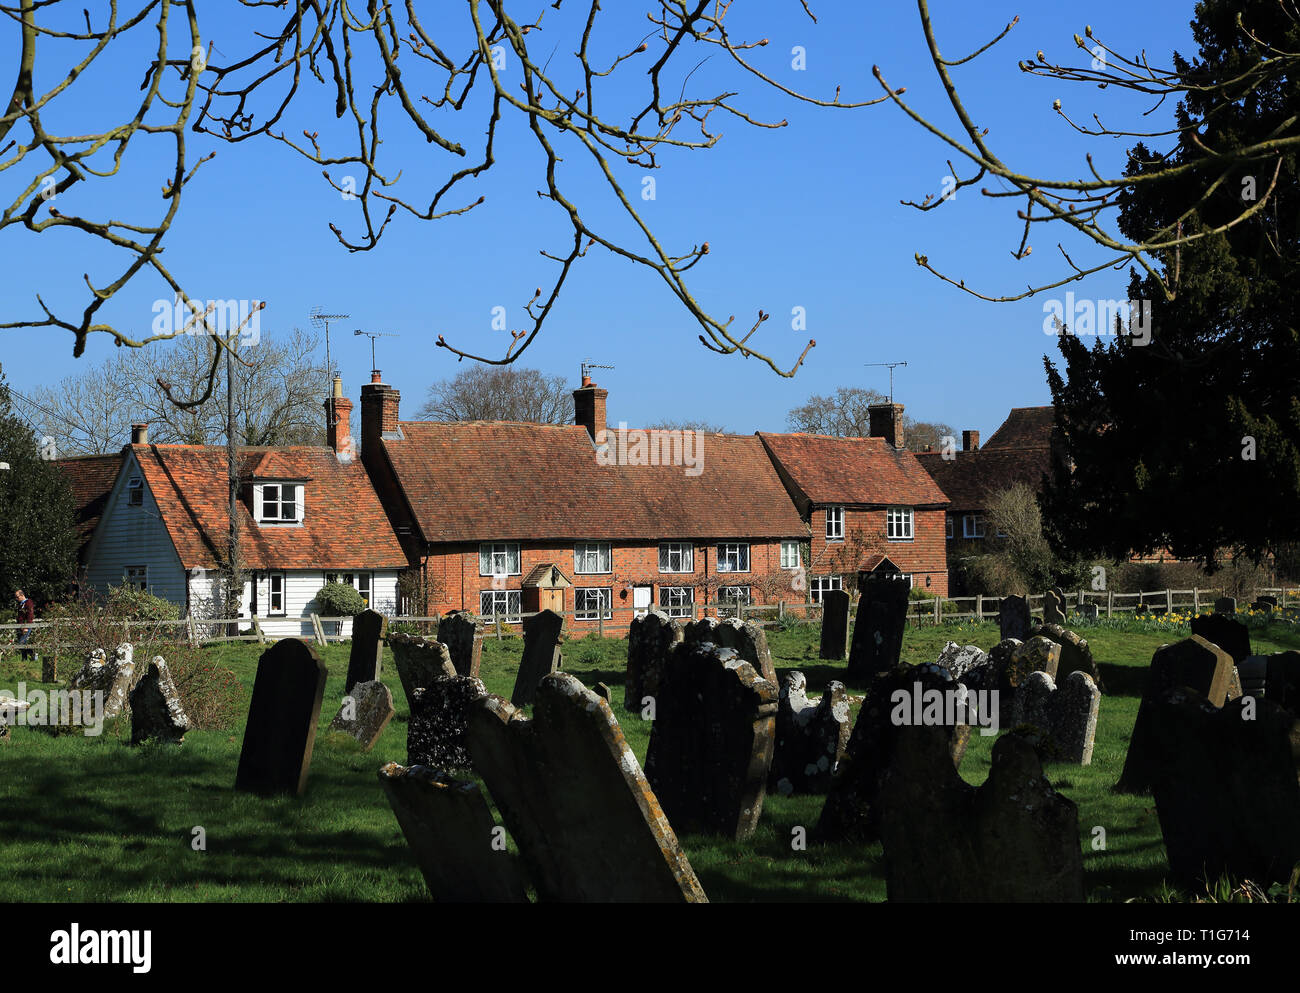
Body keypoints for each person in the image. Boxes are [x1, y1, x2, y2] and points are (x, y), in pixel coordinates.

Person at [13, 590, 35, 662]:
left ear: (22, 595)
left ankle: (33, 653)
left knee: (21, 642)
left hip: (26, 625)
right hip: (20, 626)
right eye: (15, 597)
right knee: (23, 643)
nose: (16, 599)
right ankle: (24, 658)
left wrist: (26, 626)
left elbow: (30, 615)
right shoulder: (20, 604)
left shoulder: (28, 603)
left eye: (17, 597)